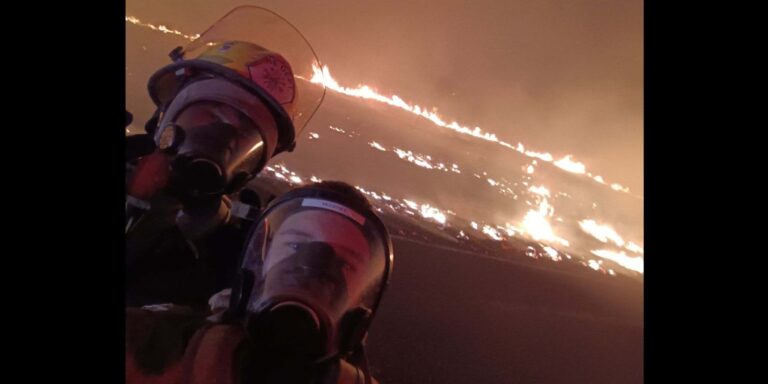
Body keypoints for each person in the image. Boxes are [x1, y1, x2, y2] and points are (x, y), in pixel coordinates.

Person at [125, 6, 326, 307]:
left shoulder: (241, 257)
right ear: (168, 116)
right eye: (209, 114)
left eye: (244, 133)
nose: (220, 140)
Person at [126, 181, 394, 384]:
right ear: (263, 255)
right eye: (295, 244)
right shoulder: (147, 343)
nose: (311, 268)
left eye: (345, 263)